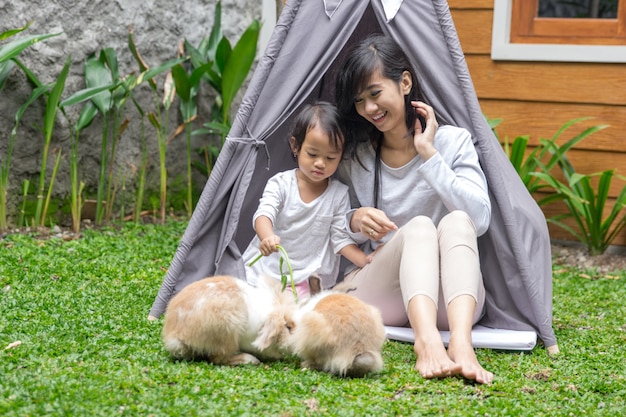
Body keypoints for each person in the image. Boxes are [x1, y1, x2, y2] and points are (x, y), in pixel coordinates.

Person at [334, 34, 494, 384]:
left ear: (404, 82)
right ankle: (426, 342)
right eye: (360, 101)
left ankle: (462, 345)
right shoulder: (357, 157)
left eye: (375, 94)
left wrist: (429, 156)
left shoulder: (453, 143)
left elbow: (479, 220)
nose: (369, 109)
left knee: (456, 220)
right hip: (383, 294)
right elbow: (329, 222)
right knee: (420, 226)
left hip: (449, 301)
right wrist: (354, 219)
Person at [241, 102, 371, 299]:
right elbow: (264, 213)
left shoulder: (338, 194)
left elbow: (340, 238)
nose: (320, 163)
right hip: (266, 273)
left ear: (341, 156)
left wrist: (366, 260)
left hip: (307, 281)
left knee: (297, 320)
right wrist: (266, 236)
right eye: (312, 154)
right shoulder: (282, 184)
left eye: (330, 157)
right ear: (295, 146)